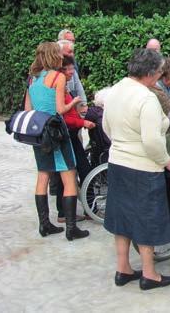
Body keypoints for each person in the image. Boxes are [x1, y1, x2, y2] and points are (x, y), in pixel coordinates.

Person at [103, 48, 170, 290]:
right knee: (146, 218)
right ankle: (149, 274)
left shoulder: (115, 89)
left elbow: (106, 127)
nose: (160, 77)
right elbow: (152, 141)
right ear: (149, 73)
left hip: (117, 162)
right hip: (144, 167)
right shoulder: (146, 98)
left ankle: (123, 268)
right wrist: (167, 160)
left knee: (122, 217)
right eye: (159, 72)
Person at [25, 42, 89, 240]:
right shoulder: (58, 77)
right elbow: (60, 109)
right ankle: (71, 228)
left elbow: (28, 109)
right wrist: (74, 102)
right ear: (54, 56)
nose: (62, 57)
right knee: (68, 175)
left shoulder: (32, 79)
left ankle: (44, 225)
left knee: (43, 175)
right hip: (56, 131)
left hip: (39, 133)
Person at [51, 56, 95, 223]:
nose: (71, 72)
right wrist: (82, 121)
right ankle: (86, 210)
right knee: (82, 171)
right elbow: (64, 116)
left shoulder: (62, 86)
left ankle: (64, 213)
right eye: (67, 69)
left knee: (66, 174)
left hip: (67, 133)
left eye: (72, 68)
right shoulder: (60, 87)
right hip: (67, 134)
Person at [57, 40, 87, 104]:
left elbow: (79, 88)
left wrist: (84, 104)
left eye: (73, 52)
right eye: (69, 52)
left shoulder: (72, 67)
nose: (72, 55)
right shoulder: (54, 71)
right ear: (59, 52)